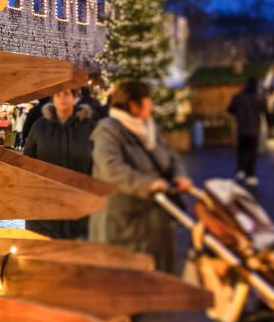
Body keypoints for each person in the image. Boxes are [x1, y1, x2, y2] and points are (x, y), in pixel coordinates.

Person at [90, 80, 192, 272]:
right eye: (148, 100)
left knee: (159, 272)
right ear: (133, 105)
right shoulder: (107, 130)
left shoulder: (149, 128)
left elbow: (170, 155)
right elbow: (111, 167)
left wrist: (180, 175)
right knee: (130, 278)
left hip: (154, 217)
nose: (151, 105)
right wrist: (148, 184)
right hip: (123, 221)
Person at [23, 87, 97, 239]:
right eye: (58, 94)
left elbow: (98, 164)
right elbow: (27, 162)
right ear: (52, 98)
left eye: (66, 93)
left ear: (75, 97)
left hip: (79, 209)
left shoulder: (89, 127)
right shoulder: (39, 126)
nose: (62, 98)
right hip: (43, 210)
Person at [227, 77, 265, 185]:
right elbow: (264, 110)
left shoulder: (238, 97)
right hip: (254, 128)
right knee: (252, 152)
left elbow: (230, 109)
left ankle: (241, 170)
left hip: (241, 128)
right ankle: (251, 174)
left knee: (241, 150)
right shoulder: (258, 98)